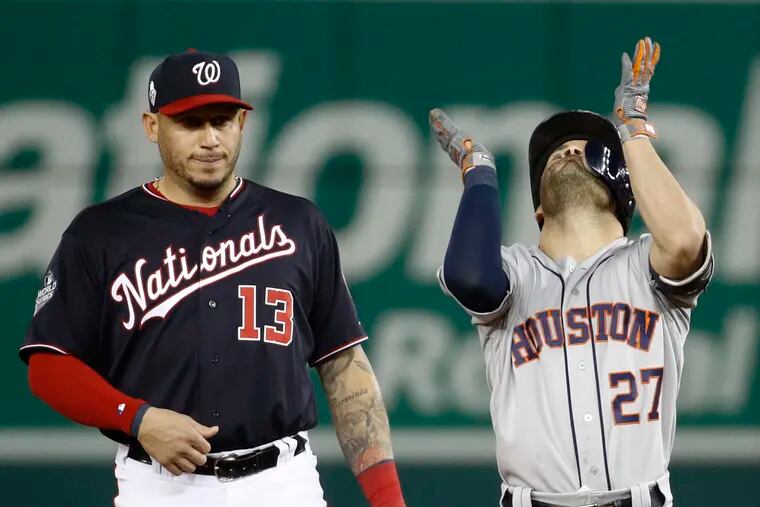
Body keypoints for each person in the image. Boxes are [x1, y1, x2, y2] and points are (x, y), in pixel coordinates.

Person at [20, 49, 405, 507]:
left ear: (242, 123)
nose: (209, 139)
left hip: (283, 482)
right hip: (161, 485)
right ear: (152, 126)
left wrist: (389, 501)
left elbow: (344, 366)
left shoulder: (299, 223)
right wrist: (136, 418)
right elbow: (49, 365)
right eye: (190, 122)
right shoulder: (100, 232)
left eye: (221, 121)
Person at [430, 37, 713, 507]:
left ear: (622, 191)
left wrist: (632, 131)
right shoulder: (516, 273)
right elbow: (470, 278)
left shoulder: (646, 265)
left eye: (585, 149)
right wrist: (478, 172)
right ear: (538, 209)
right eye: (554, 154)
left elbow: (685, 239)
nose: (566, 151)